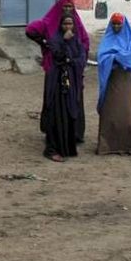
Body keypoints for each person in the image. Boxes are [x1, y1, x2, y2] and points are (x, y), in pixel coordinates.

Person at [25, 0, 89, 143]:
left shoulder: (77, 25)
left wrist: (78, 56)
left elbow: (85, 43)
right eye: (64, 7)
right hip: (55, 69)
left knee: (74, 99)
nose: (67, 10)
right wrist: (45, 43)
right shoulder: (49, 23)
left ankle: (75, 134)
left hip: (73, 70)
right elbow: (31, 29)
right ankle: (54, 132)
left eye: (70, 7)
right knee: (55, 100)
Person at [95, 13, 131, 155]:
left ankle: (129, 145)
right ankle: (107, 146)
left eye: (119, 24)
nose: (116, 27)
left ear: (124, 25)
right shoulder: (107, 39)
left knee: (127, 112)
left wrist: (115, 56)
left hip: (126, 81)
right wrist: (116, 57)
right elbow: (101, 57)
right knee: (110, 112)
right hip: (111, 80)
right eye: (114, 24)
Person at [40, 14, 86, 162]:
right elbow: (57, 56)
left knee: (69, 113)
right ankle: (52, 149)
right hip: (57, 83)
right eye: (65, 24)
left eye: (70, 24)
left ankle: (66, 147)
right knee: (57, 114)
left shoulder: (76, 41)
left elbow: (81, 58)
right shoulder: (55, 40)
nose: (68, 27)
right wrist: (65, 44)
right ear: (60, 25)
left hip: (71, 81)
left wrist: (72, 60)